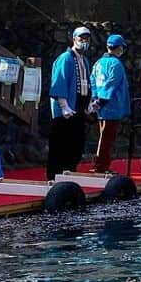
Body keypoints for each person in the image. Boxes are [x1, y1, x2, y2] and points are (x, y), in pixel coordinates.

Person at [47, 25, 92, 179]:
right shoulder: (65, 58)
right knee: (61, 143)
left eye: (87, 38)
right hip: (65, 109)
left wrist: (88, 104)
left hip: (79, 106)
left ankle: (70, 170)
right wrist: (64, 106)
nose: (84, 41)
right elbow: (59, 82)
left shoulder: (84, 60)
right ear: (74, 39)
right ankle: (55, 175)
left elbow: (86, 83)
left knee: (76, 143)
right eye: (81, 38)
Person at [89, 34, 130, 174]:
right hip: (111, 106)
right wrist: (102, 100)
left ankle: (100, 164)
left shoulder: (98, 63)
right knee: (107, 137)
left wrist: (95, 99)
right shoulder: (116, 64)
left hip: (100, 105)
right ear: (119, 48)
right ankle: (101, 166)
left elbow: (92, 81)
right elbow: (112, 83)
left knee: (104, 135)